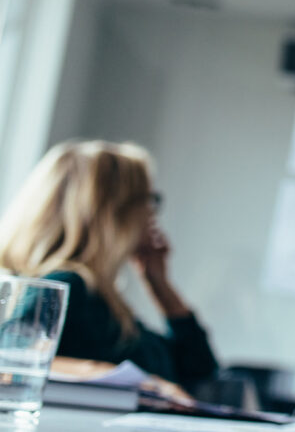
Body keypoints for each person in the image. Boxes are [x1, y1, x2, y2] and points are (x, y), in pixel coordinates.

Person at [0, 141, 218, 391]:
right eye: (147, 200)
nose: (152, 214)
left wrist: (159, 283)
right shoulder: (67, 284)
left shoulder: (101, 300)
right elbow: (11, 358)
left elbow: (199, 369)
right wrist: (137, 382)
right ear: (113, 211)